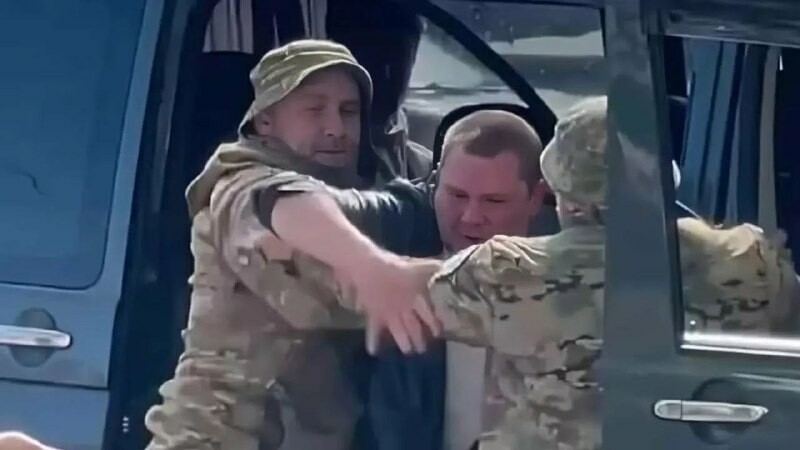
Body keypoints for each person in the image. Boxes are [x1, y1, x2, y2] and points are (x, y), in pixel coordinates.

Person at [254, 95, 797, 449]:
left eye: (493, 200)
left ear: (550, 192)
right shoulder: (750, 263)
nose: (472, 217)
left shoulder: (506, 274)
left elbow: (377, 288)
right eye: (456, 195)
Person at [143, 38, 441, 450]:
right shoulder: (240, 179)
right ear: (265, 121)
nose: (336, 128)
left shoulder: (363, 184)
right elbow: (281, 201)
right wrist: (372, 267)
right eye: (314, 110)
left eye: (348, 111)